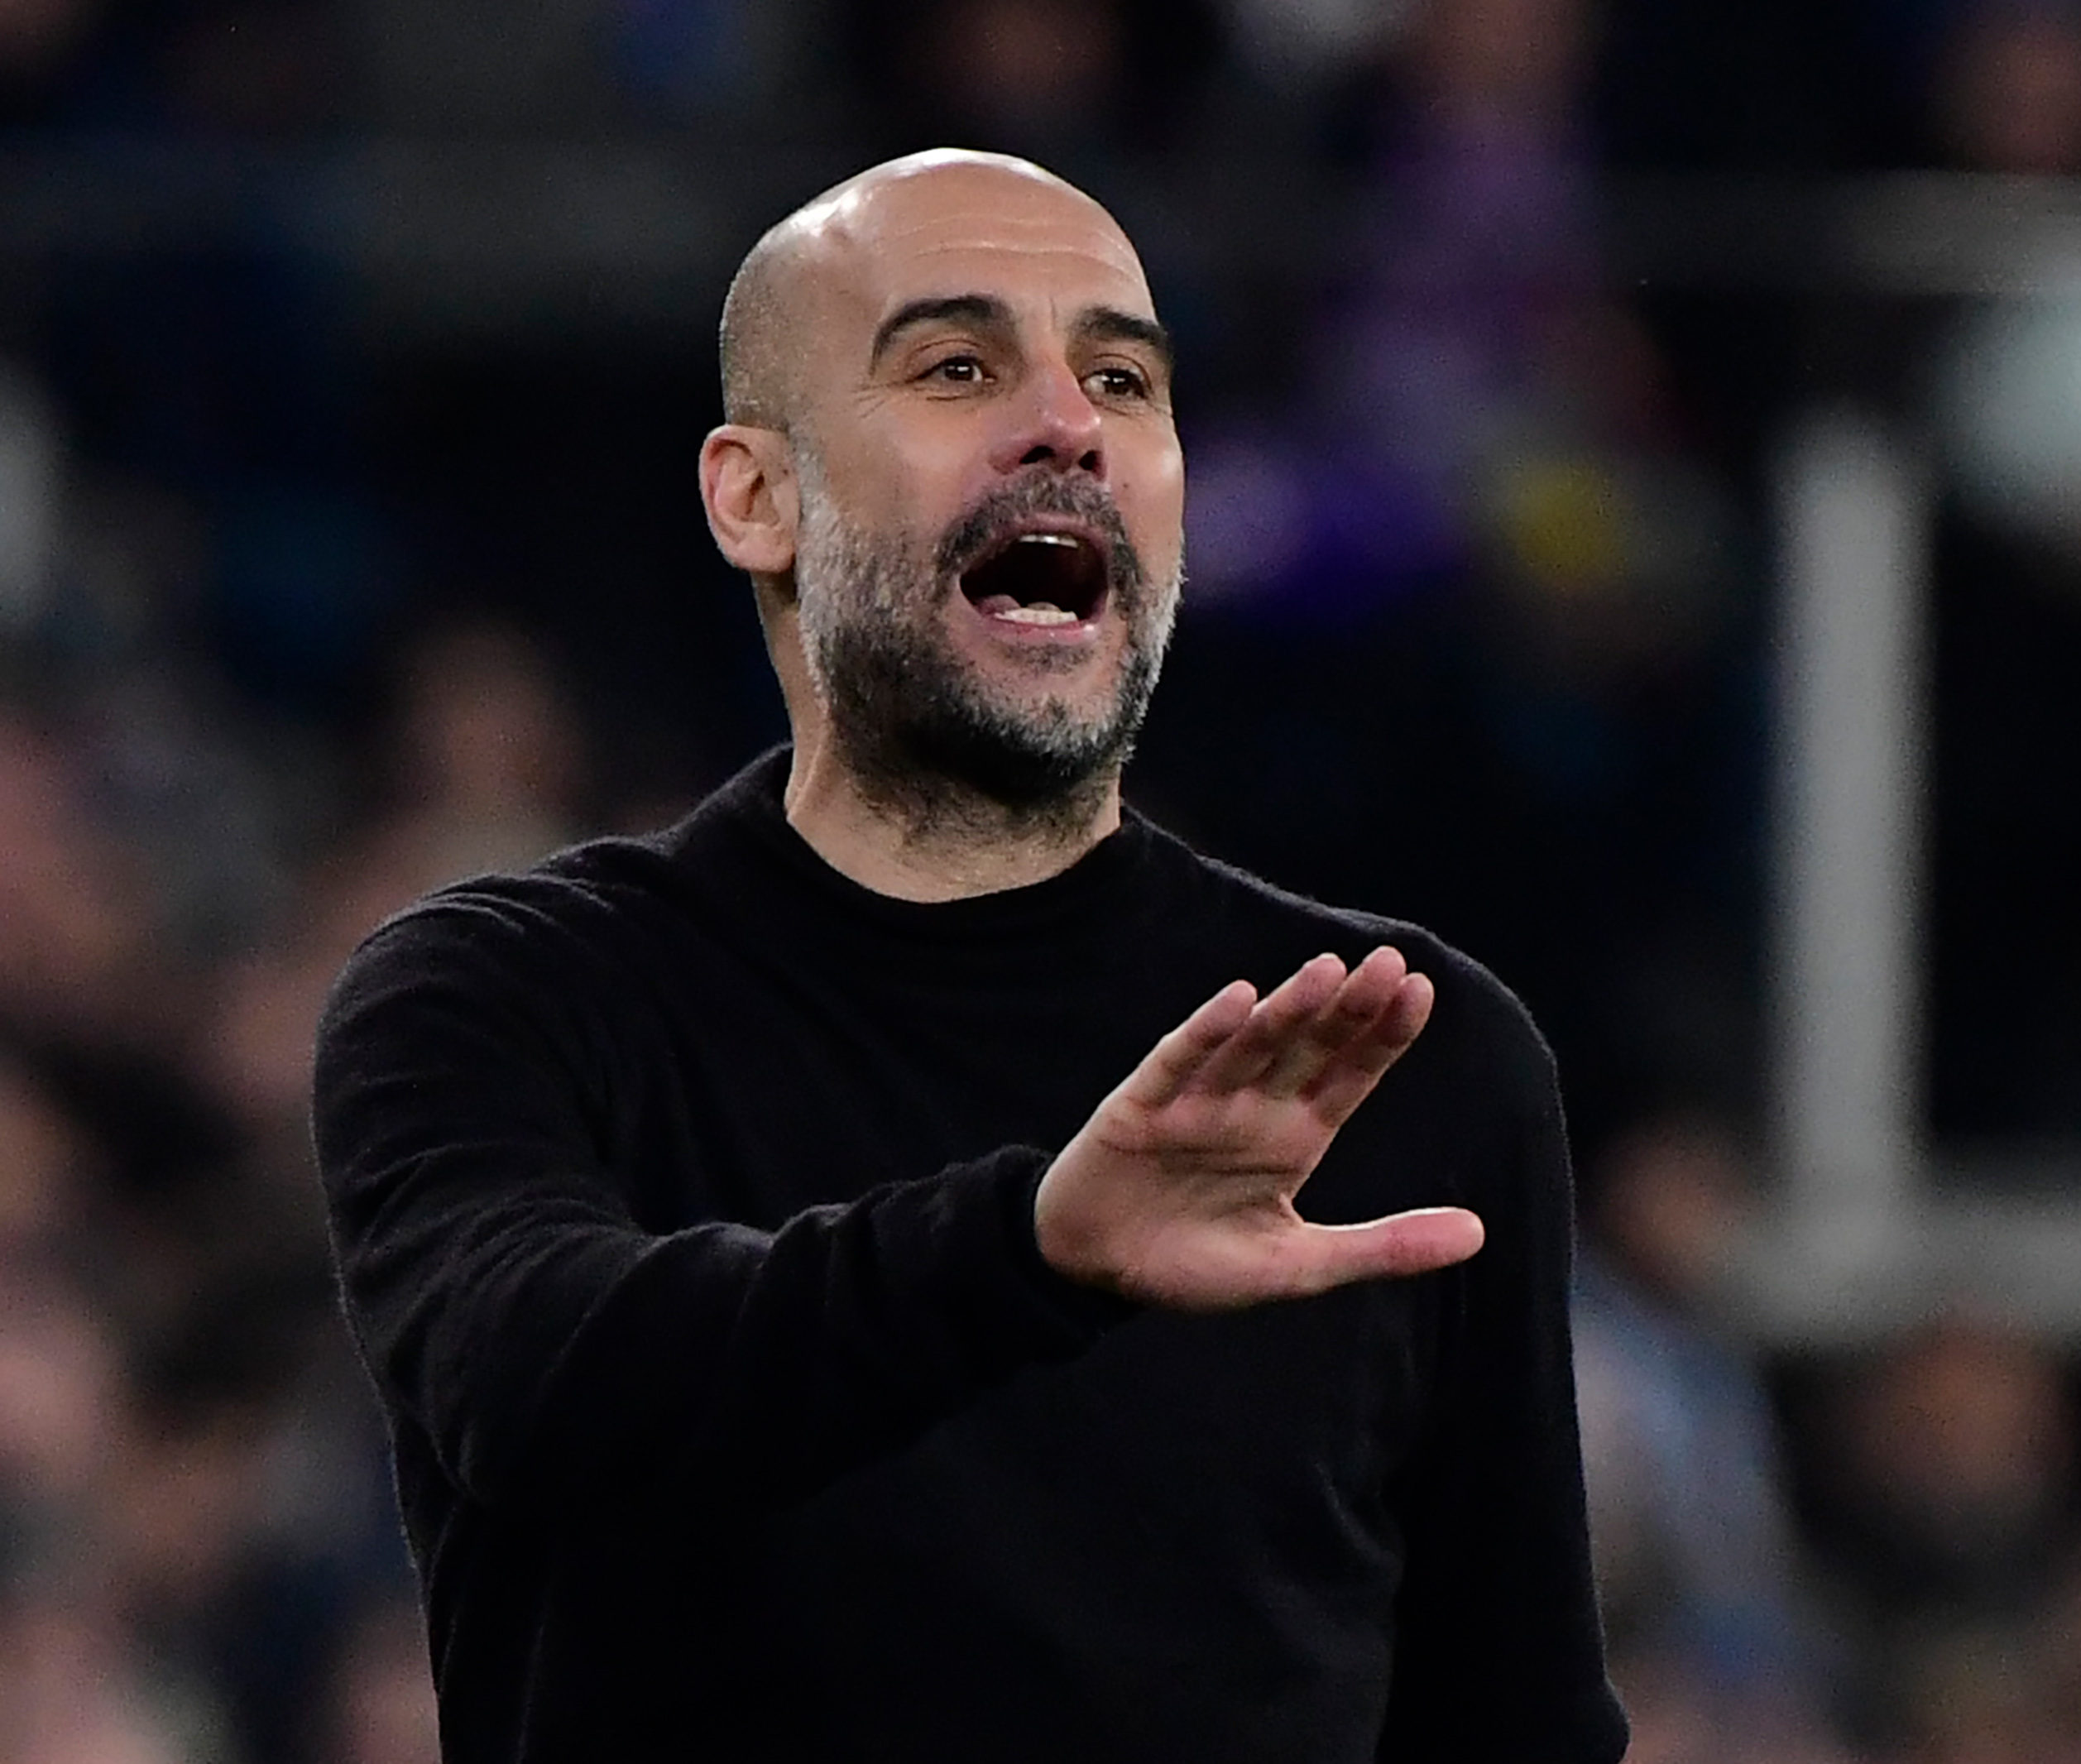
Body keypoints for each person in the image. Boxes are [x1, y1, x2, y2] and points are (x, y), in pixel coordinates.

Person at [310, 149, 1627, 1764]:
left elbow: (1515, 1722)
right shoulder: (503, 993)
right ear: (756, 494)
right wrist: (1025, 1253)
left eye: (1124, 378)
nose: (1066, 420)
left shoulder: (1391, 1052)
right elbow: (546, 1388)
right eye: (955, 365)